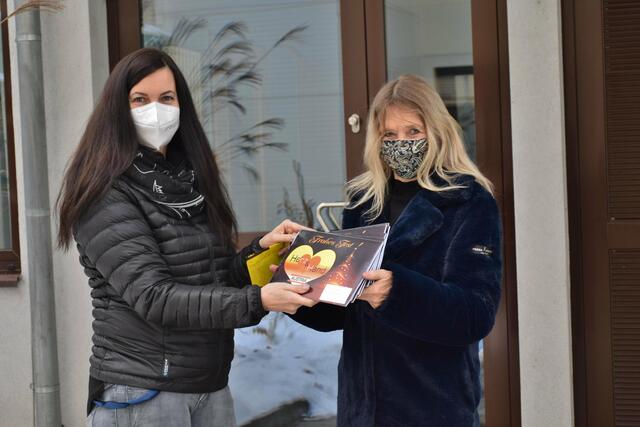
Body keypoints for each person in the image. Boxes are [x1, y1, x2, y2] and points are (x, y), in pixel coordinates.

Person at [56, 48, 315, 426]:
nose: (155, 110)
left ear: (182, 105)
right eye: (139, 99)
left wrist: (259, 250)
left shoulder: (187, 180)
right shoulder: (107, 193)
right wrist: (258, 300)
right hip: (144, 391)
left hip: (207, 384)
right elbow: (155, 298)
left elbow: (208, 277)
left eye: (166, 98)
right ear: (117, 108)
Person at [290, 74, 502, 426]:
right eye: (390, 135)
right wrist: (299, 287)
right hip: (364, 407)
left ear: (436, 131)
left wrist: (396, 290)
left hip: (433, 406)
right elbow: (344, 309)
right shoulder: (364, 201)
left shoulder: (469, 200)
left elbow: (474, 314)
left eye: (412, 132)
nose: (401, 144)